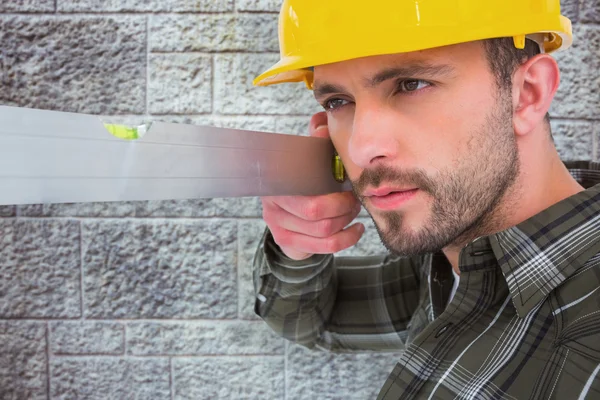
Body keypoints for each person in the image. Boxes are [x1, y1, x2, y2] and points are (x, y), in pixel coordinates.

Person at [251, 1, 600, 398]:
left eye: (411, 84)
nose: (361, 148)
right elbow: (310, 319)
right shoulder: (446, 261)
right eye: (337, 101)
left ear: (527, 94)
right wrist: (300, 248)